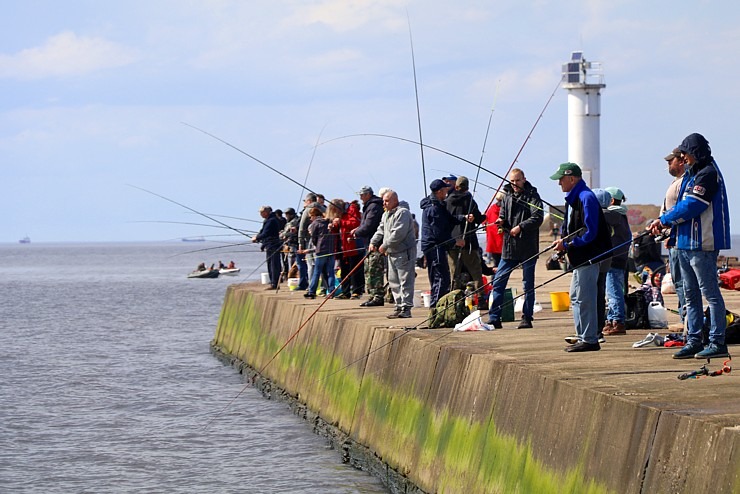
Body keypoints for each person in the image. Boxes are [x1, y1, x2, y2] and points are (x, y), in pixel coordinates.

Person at [648, 133, 731, 359]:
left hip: (702, 244)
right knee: (690, 295)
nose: (681, 157)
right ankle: (694, 340)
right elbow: (681, 206)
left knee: (711, 294)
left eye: (684, 153)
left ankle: (717, 341)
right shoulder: (691, 175)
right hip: (684, 243)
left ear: (694, 153)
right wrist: (668, 229)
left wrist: (664, 220)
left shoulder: (708, 174)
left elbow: (693, 205)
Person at [550, 163, 612, 352]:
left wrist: (568, 244)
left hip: (589, 256)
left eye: (561, 179)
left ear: (572, 178)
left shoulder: (586, 198)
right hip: (579, 257)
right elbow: (571, 228)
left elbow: (589, 232)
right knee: (577, 296)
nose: (559, 182)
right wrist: (563, 246)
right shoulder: (574, 198)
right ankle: (583, 335)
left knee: (586, 297)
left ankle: (590, 339)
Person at [487, 168, 543, 329]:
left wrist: (520, 227)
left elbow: (537, 217)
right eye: (512, 181)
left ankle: (527, 317)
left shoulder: (533, 196)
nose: (515, 184)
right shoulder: (506, 195)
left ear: (524, 179)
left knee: (528, 284)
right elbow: (503, 214)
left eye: (518, 180)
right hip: (509, 247)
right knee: (498, 282)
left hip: (528, 248)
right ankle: (495, 317)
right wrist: (501, 220)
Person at [420, 179, 469, 309]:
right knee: (441, 277)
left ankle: (437, 305)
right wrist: (455, 241)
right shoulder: (433, 208)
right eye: (445, 189)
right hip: (434, 246)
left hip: (434, 245)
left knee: (438, 277)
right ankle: (436, 306)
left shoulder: (439, 205)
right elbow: (438, 233)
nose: (447, 191)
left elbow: (449, 219)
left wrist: (463, 218)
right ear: (439, 192)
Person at [370, 190, 417, 319]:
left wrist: (384, 245)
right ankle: (398, 306)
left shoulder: (403, 213)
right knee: (393, 281)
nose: (383, 203)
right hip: (391, 253)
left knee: (405, 281)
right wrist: (373, 242)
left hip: (404, 252)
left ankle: (406, 308)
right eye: (383, 201)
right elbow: (381, 229)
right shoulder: (386, 215)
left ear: (395, 200)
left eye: (386, 201)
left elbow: (398, 233)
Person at [445, 176, 486, 301]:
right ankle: (480, 298)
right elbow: (479, 218)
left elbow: (446, 220)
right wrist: (481, 217)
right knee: (476, 271)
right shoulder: (469, 200)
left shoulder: (447, 201)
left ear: (456, 186)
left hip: (452, 242)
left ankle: (454, 300)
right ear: (467, 187)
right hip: (468, 243)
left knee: (454, 273)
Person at [599, 187, 631, 337]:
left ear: (611, 200)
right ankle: (612, 319)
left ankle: (618, 321)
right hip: (621, 258)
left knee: (613, 291)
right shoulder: (621, 215)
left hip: (614, 258)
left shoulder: (613, 215)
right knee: (613, 290)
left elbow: (601, 215)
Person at [659, 149, 687, 325]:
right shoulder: (675, 182)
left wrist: (672, 232)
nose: (669, 164)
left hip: (678, 240)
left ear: (682, 161)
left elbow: (682, 211)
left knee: (683, 284)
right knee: (679, 283)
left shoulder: (684, 183)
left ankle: (689, 325)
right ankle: (687, 322)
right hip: (672, 239)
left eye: (672, 160)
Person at [351, 186, 385, 307]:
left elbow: (370, 225)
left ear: (368, 195)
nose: (360, 197)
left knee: (374, 271)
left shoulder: (374, 206)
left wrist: (357, 232)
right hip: (369, 244)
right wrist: (358, 229)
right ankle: (373, 296)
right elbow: (365, 224)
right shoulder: (370, 206)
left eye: (362, 195)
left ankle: (377, 297)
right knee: (369, 271)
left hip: (375, 244)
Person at [328, 198, 364, 299]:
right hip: (343, 246)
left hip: (353, 245)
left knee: (355, 269)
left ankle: (357, 291)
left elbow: (356, 223)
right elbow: (339, 228)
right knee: (344, 270)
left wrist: (341, 222)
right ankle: (345, 291)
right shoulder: (342, 215)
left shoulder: (352, 209)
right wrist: (333, 226)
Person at [302, 207, 336, 299]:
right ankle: (331, 291)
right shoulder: (329, 221)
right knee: (331, 272)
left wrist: (315, 246)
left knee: (317, 272)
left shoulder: (315, 223)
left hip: (321, 251)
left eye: (310, 217)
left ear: (314, 216)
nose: (310, 219)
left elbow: (314, 238)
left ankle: (312, 291)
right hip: (331, 250)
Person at [252, 205, 283, 290]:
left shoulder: (271, 220)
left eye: (261, 213)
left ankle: (274, 283)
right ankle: (273, 282)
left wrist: (257, 238)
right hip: (269, 244)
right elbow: (263, 232)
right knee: (270, 264)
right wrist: (259, 239)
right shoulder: (269, 220)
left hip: (273, 244)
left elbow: (266, 233)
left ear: (265, 212)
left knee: (274, 265)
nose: (260, 215)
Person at [484, 193, 504, 267]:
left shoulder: (492, 208)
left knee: (496, 264)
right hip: (501, 242)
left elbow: (484, 220)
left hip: (493, 242)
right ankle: (496, 278)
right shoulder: (505, 209)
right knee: (501, 264)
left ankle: (495, 278)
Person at [279, 207, 299, 279]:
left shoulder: (292, 222)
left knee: (292, 263)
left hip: (292, 244)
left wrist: (281, 235)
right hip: (293, 244)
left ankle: (293, 278)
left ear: (290, 215)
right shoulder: (296, 220)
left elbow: (288, 233)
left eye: (286, 215)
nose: (285, 216)